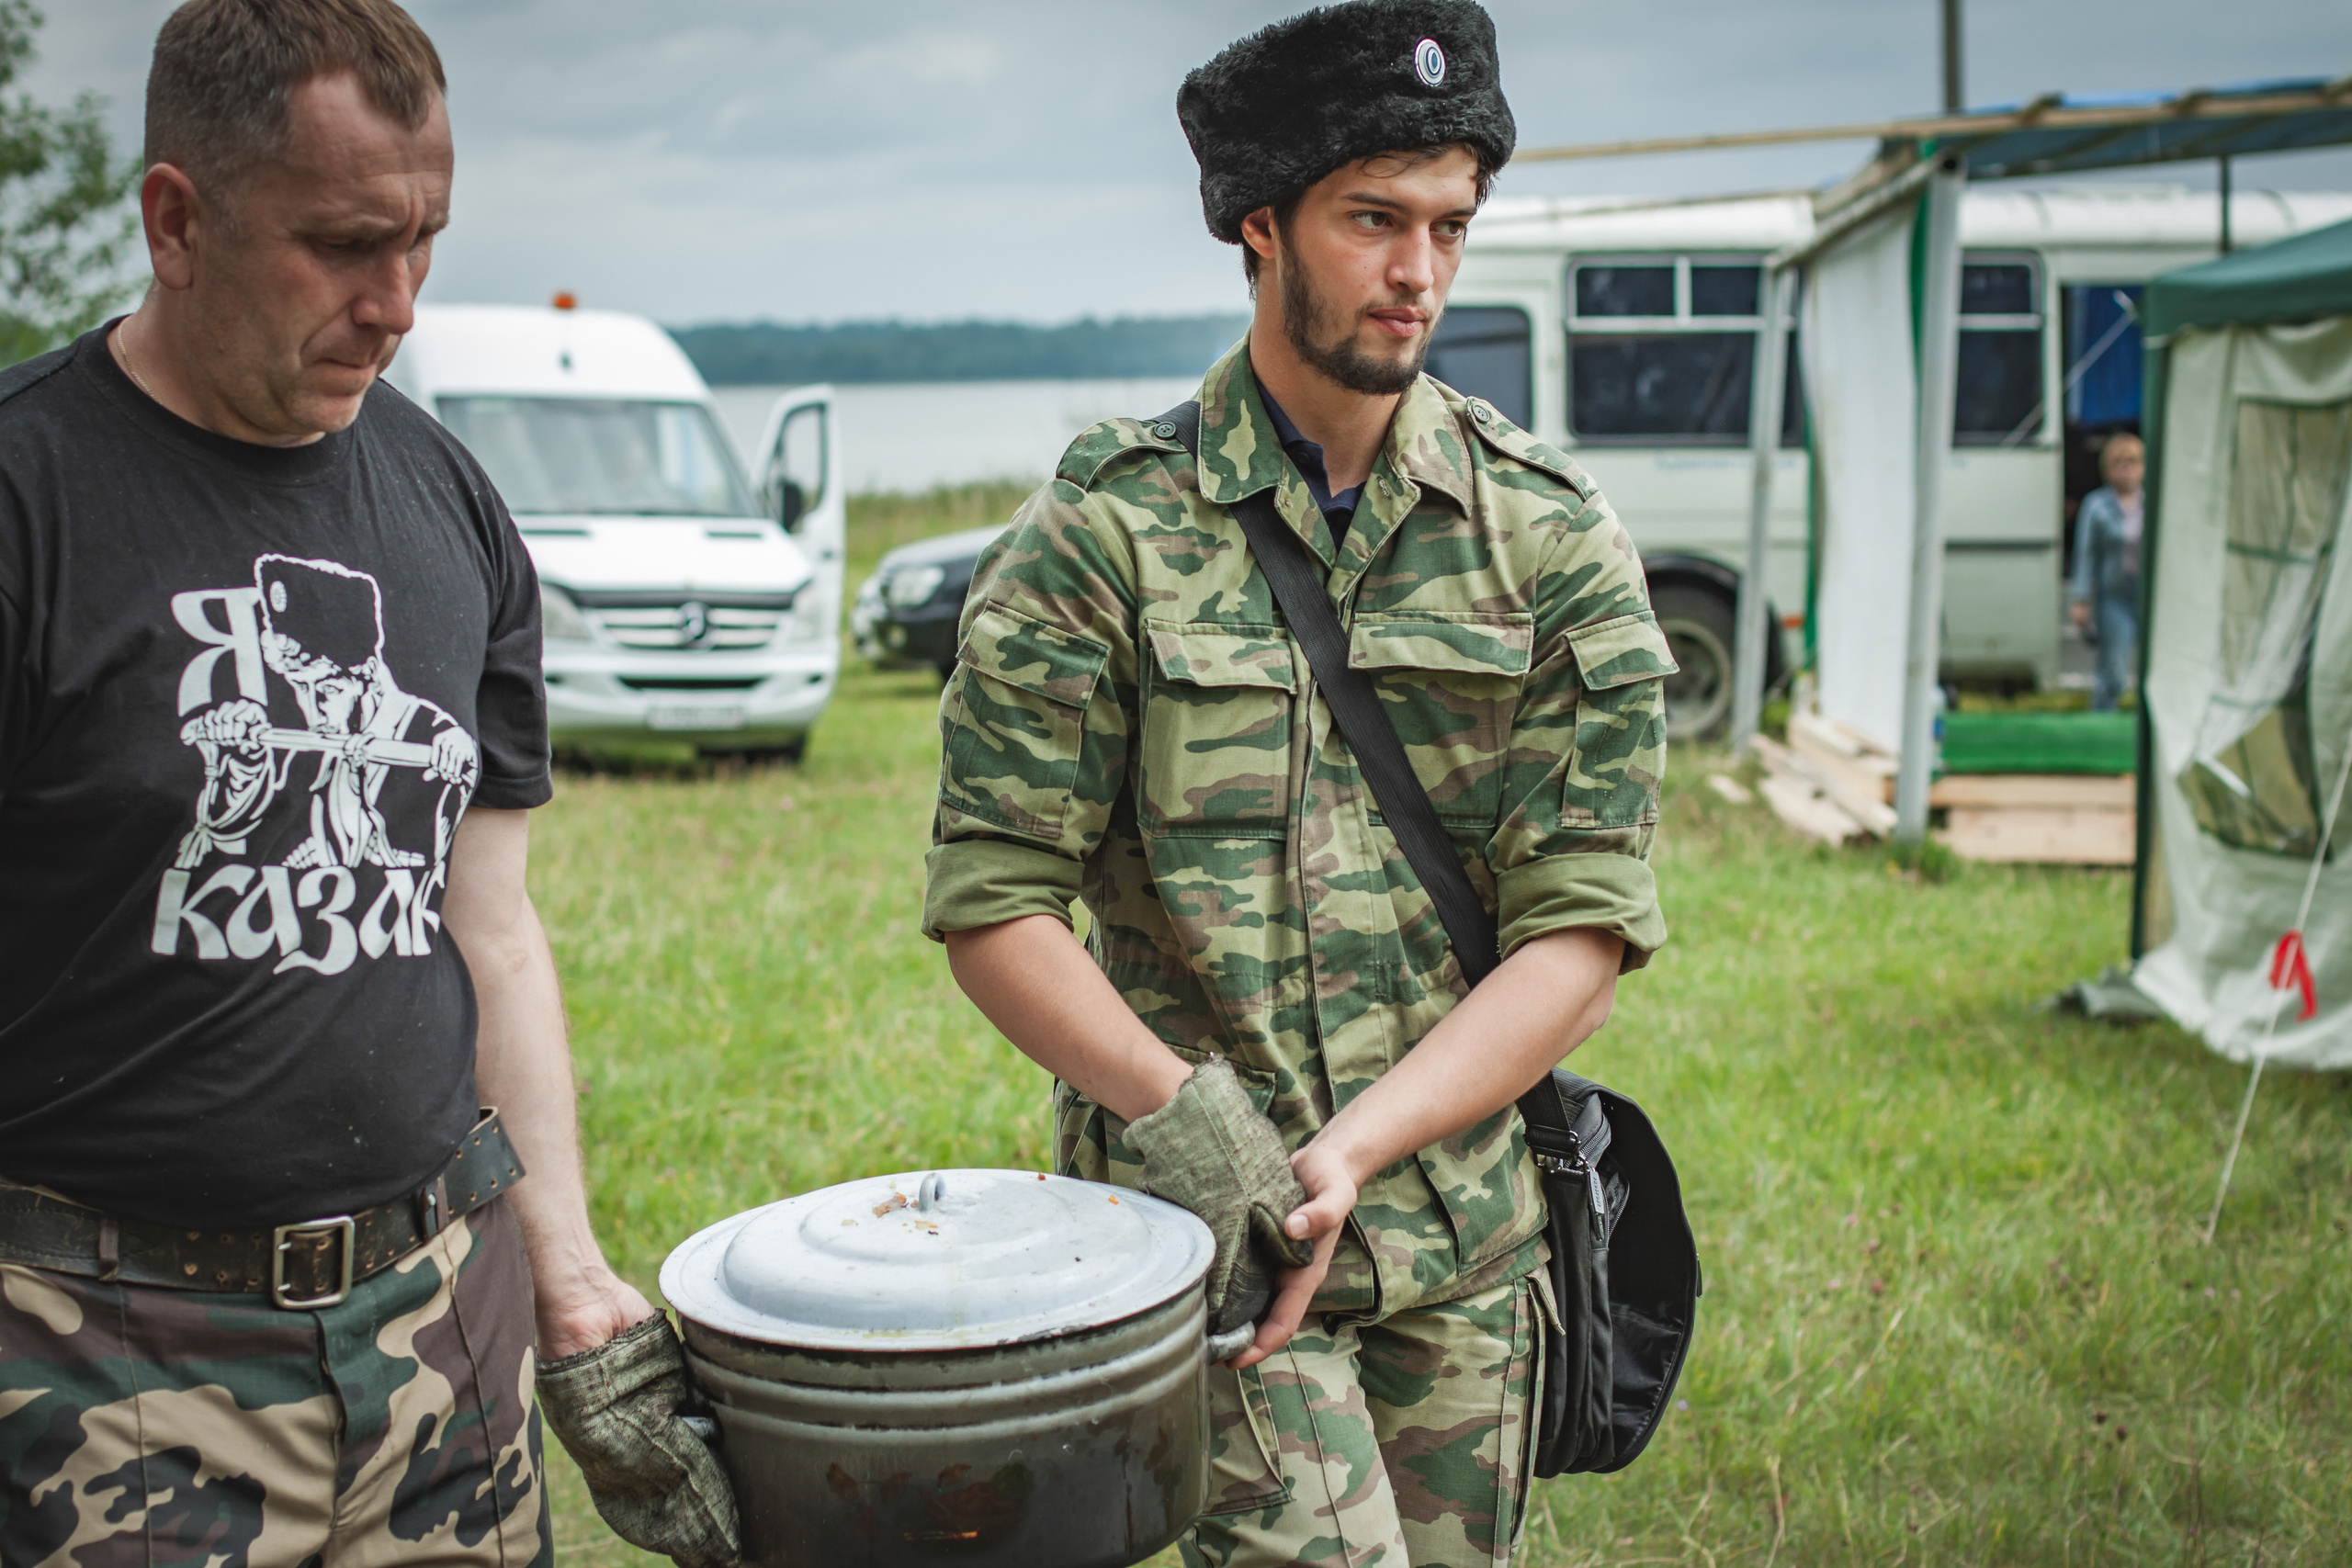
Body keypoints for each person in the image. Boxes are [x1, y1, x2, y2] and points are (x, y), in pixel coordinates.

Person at [922, 3, 1673, 1562]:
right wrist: (1193, 1126)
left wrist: (1360, 1147)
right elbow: (994, 899)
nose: (1420, 272)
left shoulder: (1548, 537)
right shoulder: (1103, 537)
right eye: (1374, 220)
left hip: (1467, 1244)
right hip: (1215, 1246)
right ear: (1258, 226)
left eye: (1452, 226)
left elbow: (1579, 934)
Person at [0, 3, 734, 1564]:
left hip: (436, 1353)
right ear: (177, 221)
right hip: (99, 1364)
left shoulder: (448, 505)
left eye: (423, 241)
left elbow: (491, 925)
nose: (394, 302)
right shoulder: (26, 505)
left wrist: (565, 1267)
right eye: (341, 245)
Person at [2069, 432, 2146, 711]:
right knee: (2113, 670)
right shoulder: (2096, 506)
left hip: (2146, 594)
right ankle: (2102, 716)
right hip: (2114, 594)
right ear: (2108, 469)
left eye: (2132, 462)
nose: (2125, 469)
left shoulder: (2153, 504)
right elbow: (2085, 554)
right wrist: (2081, 599)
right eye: (2118, 462)